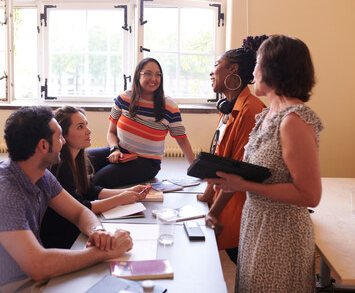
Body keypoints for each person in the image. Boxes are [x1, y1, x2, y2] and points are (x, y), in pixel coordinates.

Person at [0, 106, 133, 292]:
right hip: (6, 286)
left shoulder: (40, 174)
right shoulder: (3, 192)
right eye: (60, 137)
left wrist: (98, 232)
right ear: (43, 146)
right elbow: (39, 267)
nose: (63, 142)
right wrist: (105, 251)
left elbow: (79, 212)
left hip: (30, 276)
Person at [206, 35, 324, 292]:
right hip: (256, 226)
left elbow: (310, 195)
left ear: (275, 70)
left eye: (258, 64)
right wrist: (214, 211)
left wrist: (244, 184)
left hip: (281, 236)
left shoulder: (294, 120)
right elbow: (245, 172)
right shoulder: (266, 115)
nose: (253, 71)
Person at [197, 35, 268, 264]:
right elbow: (220, 157)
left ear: (233, 69)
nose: (212, 72)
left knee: (245, 266)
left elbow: (237, 170)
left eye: (216, 65)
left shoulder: (251, 111)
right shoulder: (228, 108)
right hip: (223, 199)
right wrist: (206, 196)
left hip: (241, 207)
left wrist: (213, 212)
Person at [40, 106, 151, 249]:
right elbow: (81, 207)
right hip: (64, 238)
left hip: (77, 228)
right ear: (63, 134)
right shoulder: (60, 167)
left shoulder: (79, 160)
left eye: (86, 124)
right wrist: (119, 199)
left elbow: (90, 190)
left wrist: (129, 192)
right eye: (80, 127)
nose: (88, 131)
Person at [87, 57, 196, 188]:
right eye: (148, 73)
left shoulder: (169, 106)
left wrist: (195, 167)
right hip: (120, 152)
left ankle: (85, 205)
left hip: (146, 162)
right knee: (80, 160)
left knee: (99, 179)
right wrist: (114, 149)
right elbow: (111, 132)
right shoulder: (123, 98)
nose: (154, 79)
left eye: (158, 75)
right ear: (138, 75)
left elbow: (182, 139)